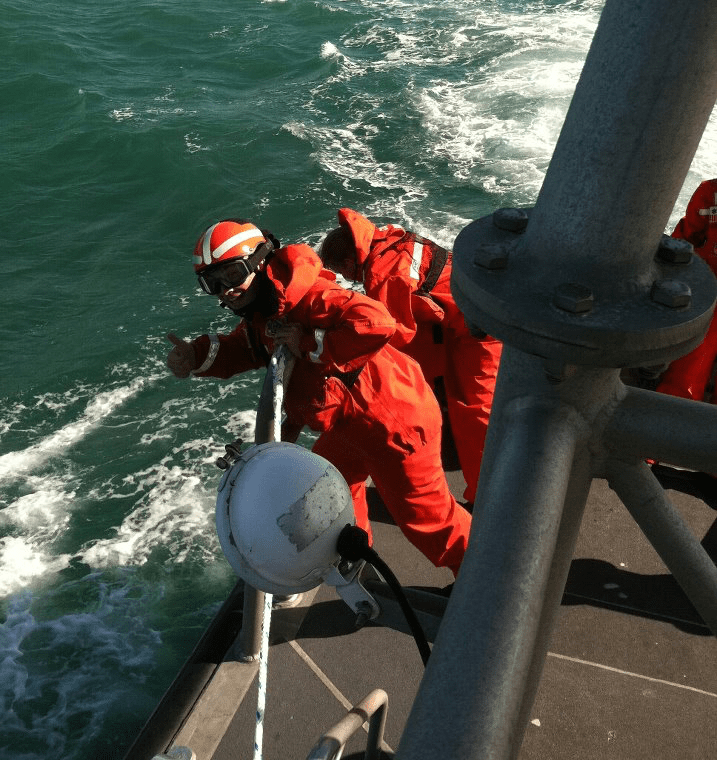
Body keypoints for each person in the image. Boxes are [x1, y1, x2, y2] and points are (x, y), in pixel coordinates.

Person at [167, 219, 471, 577]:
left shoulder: (312, 297)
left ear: (261, 262)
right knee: (330, 489)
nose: (225, 291)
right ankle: (356, 561)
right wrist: (198, 355)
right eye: (212, 283)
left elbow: (377, 323)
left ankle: (483, 580)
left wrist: (309, 343)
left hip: (394, 423)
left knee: (428, 519)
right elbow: (246, 347)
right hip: (353, 425)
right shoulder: (268, 308)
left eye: (232, 275)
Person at [318, 208, 502, 506]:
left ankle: (490, 500)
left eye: (343, 272)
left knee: (474, 411)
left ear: (352, 262)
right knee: (452, 394)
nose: (345, 278)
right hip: (468, 311)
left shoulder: (382, 274)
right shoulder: (390, 240)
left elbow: (393, 335)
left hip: (481, 327)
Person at [657, 179, 717, 402]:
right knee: (695, 352)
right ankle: (675, 407)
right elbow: (683, 243)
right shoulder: (710, 192)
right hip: (708, 291)